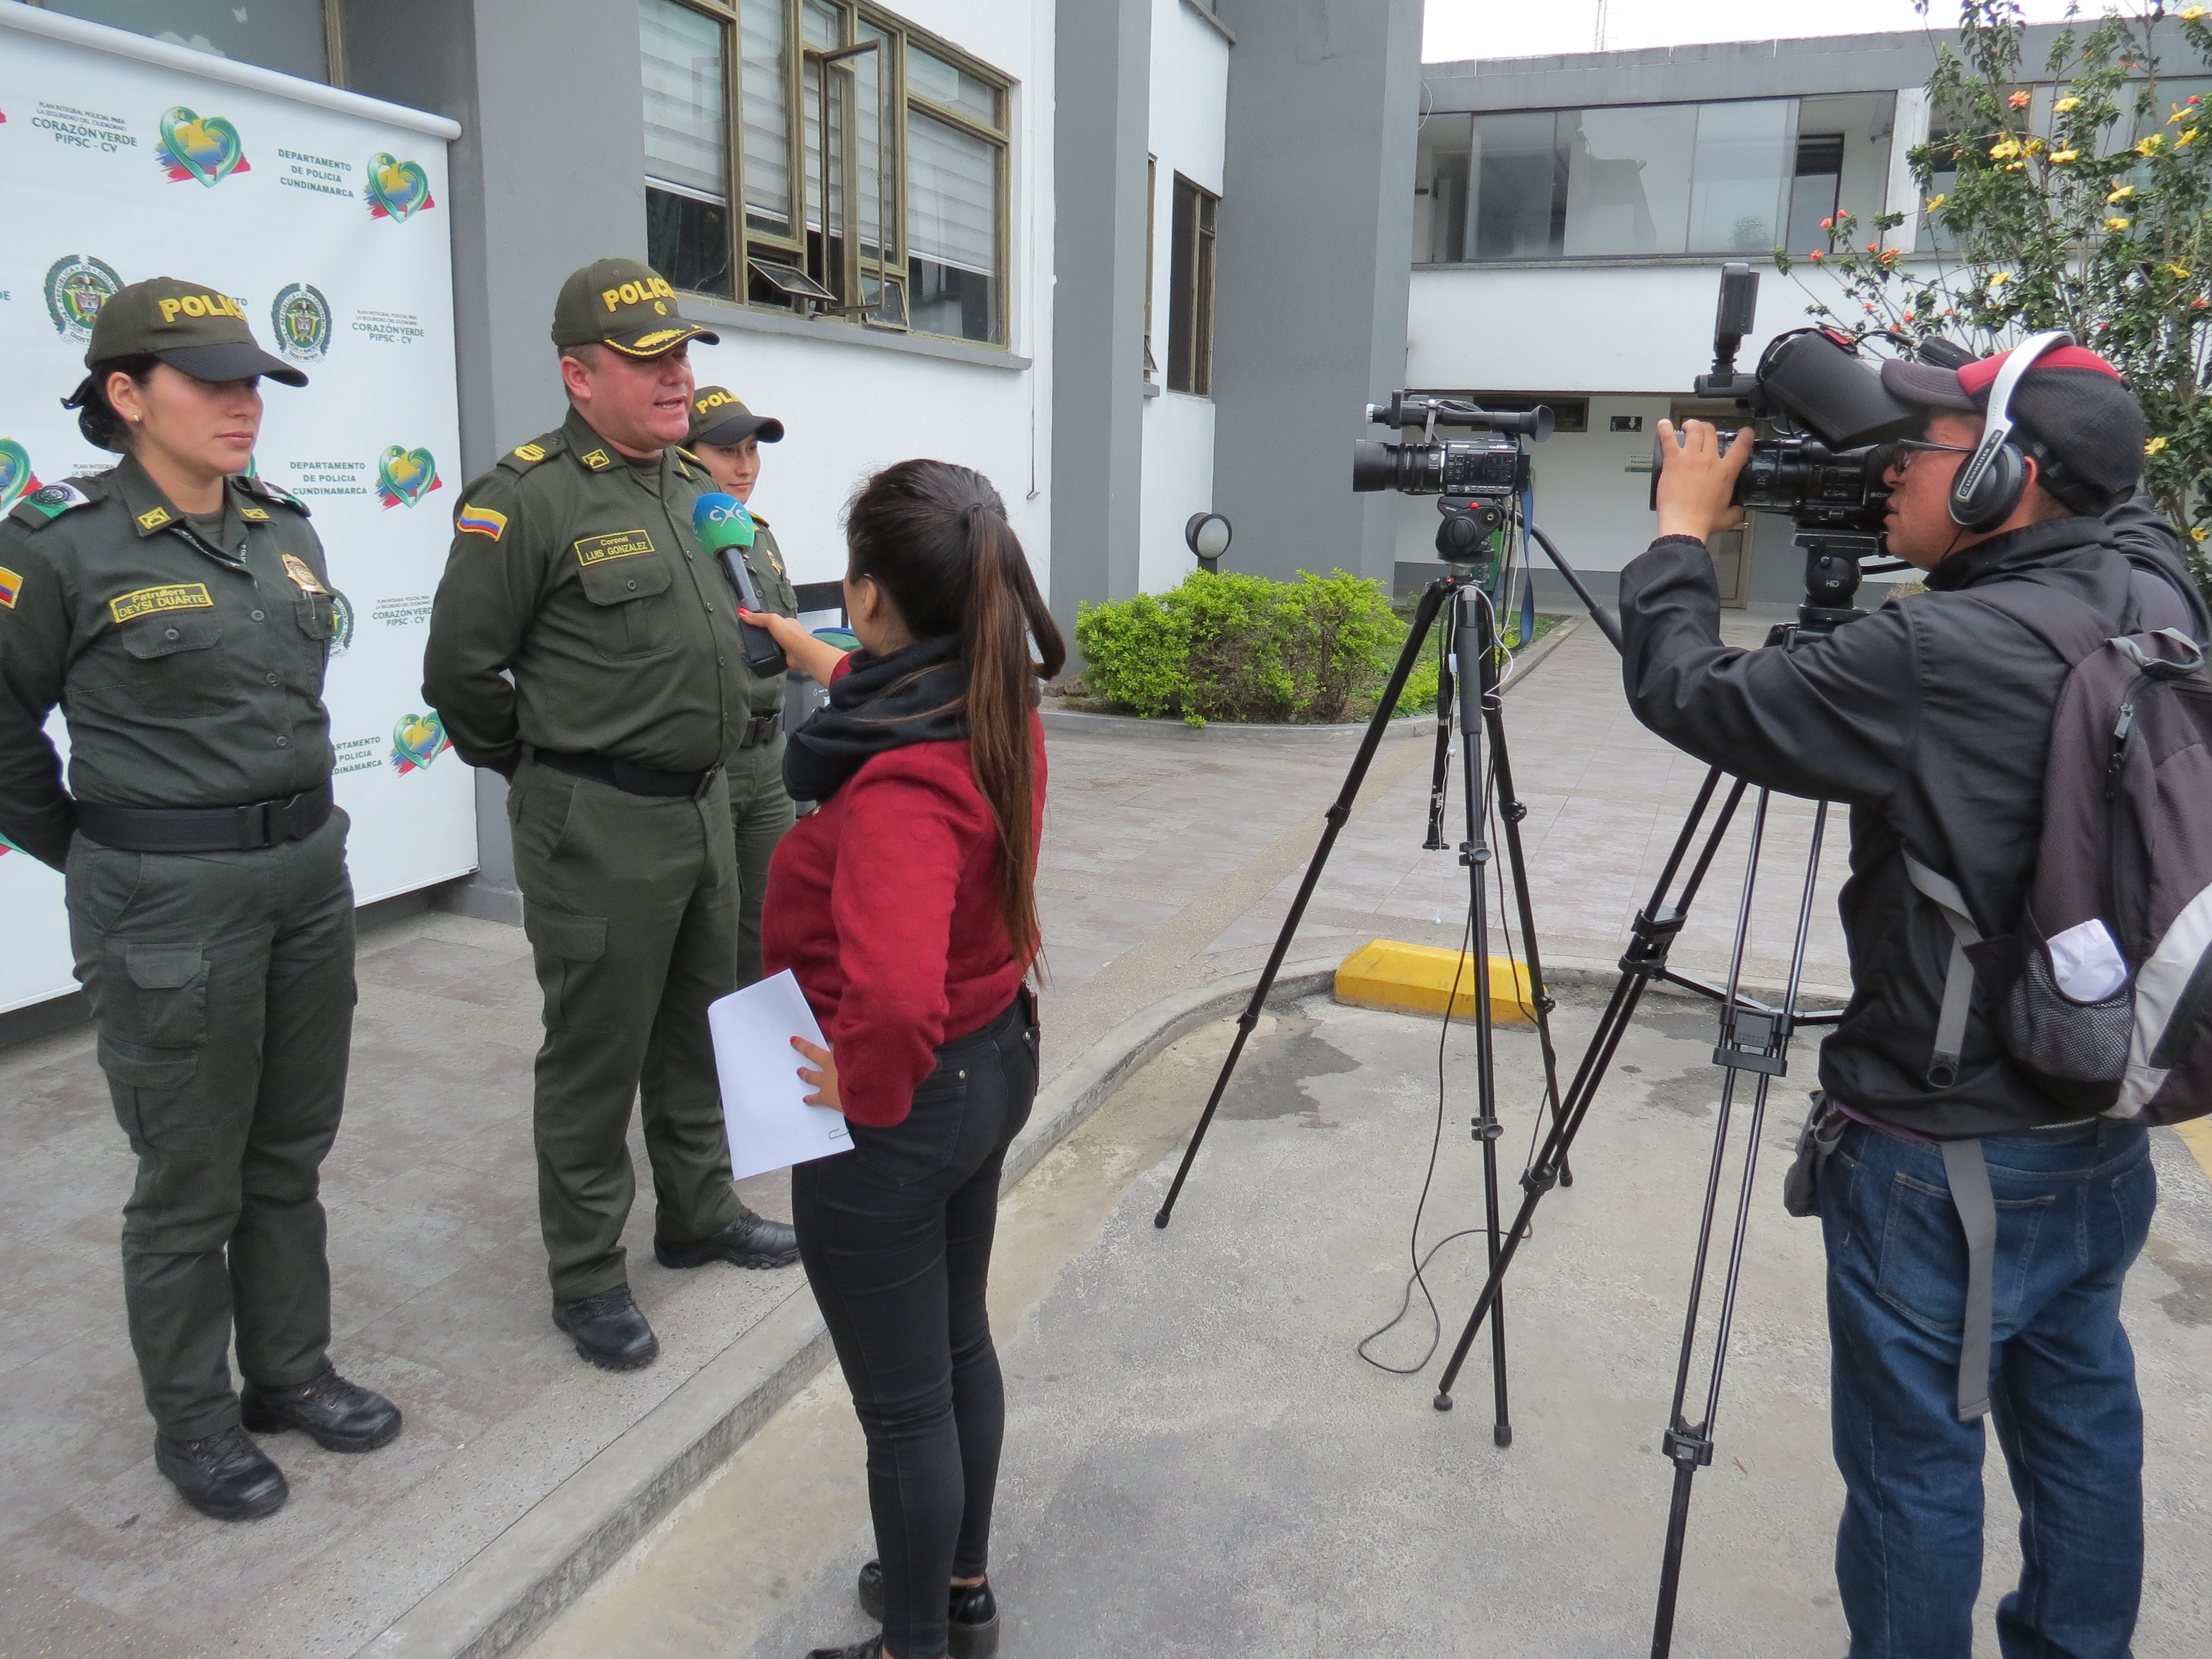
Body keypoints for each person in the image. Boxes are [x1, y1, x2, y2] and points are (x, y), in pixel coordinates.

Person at [1624, 341, 2205, 1659]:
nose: (1890, 466)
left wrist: (1680, 532)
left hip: (1939, 1152)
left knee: (1912, 1468)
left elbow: (1690, 691)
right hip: (2101, 1108)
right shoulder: (2159, 578)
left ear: (2010, 474)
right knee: (2080, 1418)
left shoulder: (1939, 650)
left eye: (1928, 447)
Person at [0, 278, 401, 1521]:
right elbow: (9, 730)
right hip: (166, 898)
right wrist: (108, 859)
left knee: (288, 1150)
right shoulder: (56, 541)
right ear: (126, 396)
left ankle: (288, 1372)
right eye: (211, 382)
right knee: (189, 1173)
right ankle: (195, 1418)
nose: (243, 405)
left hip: (301, 880)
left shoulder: (287, 529)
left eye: (252, 383)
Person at [421, 258, 798, 1376]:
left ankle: (698, 1212)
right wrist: (549, 776)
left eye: (682, 357)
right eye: (648, 363)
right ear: (578, 376)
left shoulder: (693, 490)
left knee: (700, 1023)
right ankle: (587, 1275)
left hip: (706, 808)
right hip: (599, 823)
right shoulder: (527, 500)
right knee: (595, 1052)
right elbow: (460, 675)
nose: (676, 378)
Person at [743, 460, 1064, 1659]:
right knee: (956, 1342)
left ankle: (916, 1643)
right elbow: (877, 686)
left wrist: (857, 1106)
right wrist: (805, 651)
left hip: (903, 1107)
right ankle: (961, 1595)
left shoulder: (895, 787)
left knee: (903, 1404)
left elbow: (885, 993)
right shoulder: (987, 707)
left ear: (869, 595)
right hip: (988, 1064)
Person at [685, 384, 800, 984]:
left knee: (771, 927)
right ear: (684, 455)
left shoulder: (757, 533)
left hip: (769, 760)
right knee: (707, 928)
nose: (745, 466)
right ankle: (701, 1070)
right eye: (727, 450)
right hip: (711, 759)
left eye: (752, 450)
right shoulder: (675, 540)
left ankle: (756, 1068)